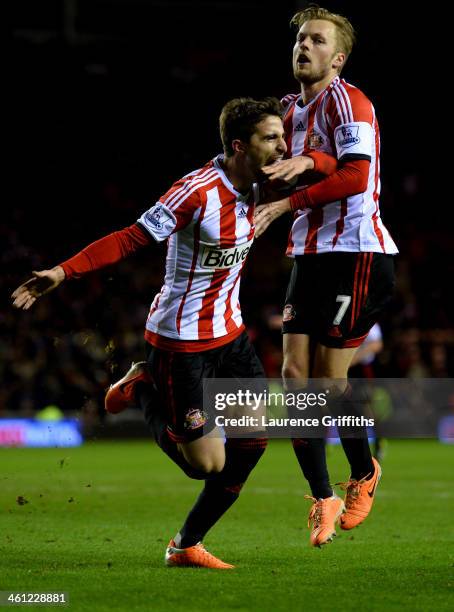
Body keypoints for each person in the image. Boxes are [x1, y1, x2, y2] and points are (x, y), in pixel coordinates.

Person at [12, 97, 336, 568]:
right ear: (238, 146)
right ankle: (142, 386)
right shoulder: (195, 192)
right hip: (180, 344)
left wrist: (307, 159)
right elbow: (129, 237)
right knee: (203, 465)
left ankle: (185, 545)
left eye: (284, 138)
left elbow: (342, 170)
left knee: (253, 441)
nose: (283, 146)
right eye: (272, 138)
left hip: (231, 336)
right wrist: (63, 272)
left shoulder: (269, 183)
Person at [253, 6, 398, 547]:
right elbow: (282, 164)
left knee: (328, 384)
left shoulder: (351, 103)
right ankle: (323, 497)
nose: (303, 46)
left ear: (337, 58)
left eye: (316, 40)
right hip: (309, 256)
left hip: (356, 253)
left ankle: (363, 473)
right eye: (299, 38)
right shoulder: (288, 109)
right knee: (295, 380)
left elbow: (357, 175)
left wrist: (298, 186)